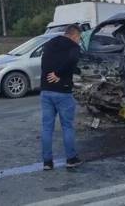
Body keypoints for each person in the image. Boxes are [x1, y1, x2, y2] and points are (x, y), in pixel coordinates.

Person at [40, 24, 83, 170]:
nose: (79, 41)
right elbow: (72, 60)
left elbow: (44, 63)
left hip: (45, 91)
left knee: (47, 128)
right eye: (79, 38)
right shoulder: (73, 47)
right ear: (74, 35)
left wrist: (51, 74)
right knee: (67, 127)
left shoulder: (50, 43)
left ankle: (47, 162)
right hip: (63, 92)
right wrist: (59, 74)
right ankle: (71, 159)